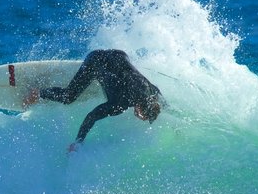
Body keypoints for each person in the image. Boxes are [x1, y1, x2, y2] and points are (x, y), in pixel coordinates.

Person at [24, 49, 162, 152]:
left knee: (114, 79)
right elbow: (91, 117)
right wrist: (78, 142)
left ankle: (103, 79)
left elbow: (161, 99)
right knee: (69, 96)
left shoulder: (150, 89)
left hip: (120, 54)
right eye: (143, 117)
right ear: (140, 109)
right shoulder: (119, 104)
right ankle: (38, 93)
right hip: (95, 60)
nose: (141, 119)